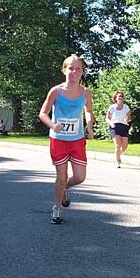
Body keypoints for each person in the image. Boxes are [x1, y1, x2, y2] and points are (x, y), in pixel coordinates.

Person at [39, 55, 94, 224]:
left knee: (79, 177)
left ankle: (65, 189)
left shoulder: (86, 92)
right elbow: (42, 113)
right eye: (71, 68)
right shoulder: (56, 91)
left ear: (82, 72)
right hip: (58, 140)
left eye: (78, 69)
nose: (74, 72)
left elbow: (88, 110)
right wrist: (53, 125)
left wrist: (89, 125)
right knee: (61, 177)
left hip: (77, 140)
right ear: (64, 70)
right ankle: (57, 208)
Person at [106, 91, 131, 168]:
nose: (120, 98)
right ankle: (118, 161)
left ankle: (118, 154)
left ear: (123, 99)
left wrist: (127, 121)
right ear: (115, 98)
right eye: (118, 96)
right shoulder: (112, 107)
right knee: (118, 145)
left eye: (121, 96)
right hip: (115, 126)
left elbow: (129, 117)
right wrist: (111, 123)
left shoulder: (126, 107)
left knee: (124, 147)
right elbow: (107, 118)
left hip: (124, 126)